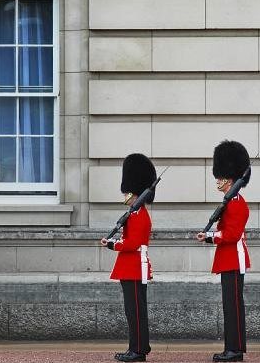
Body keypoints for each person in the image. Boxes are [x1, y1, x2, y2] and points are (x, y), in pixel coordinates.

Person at [196, 140, 251, 362]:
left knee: (233, 306)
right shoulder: (229, 202)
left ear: (229, 179)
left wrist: (210, 236)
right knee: (229, 307)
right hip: (227, 258)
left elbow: (232, 235)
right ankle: (231, 347)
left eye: (220, 177)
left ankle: (235, 350)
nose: (218, 181)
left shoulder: (238, 203)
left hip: (233, 258)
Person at [101, 153, 156, 362]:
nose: (125, 195)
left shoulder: (140, 215)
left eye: (128, 192)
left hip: (134, 267)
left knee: (135, 312)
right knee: (132, 312)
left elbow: (133, 244)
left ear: (135, 193)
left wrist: (113, 244)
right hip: (129, 267)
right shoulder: (133, 214)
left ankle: (138, 350)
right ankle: (137, 347)